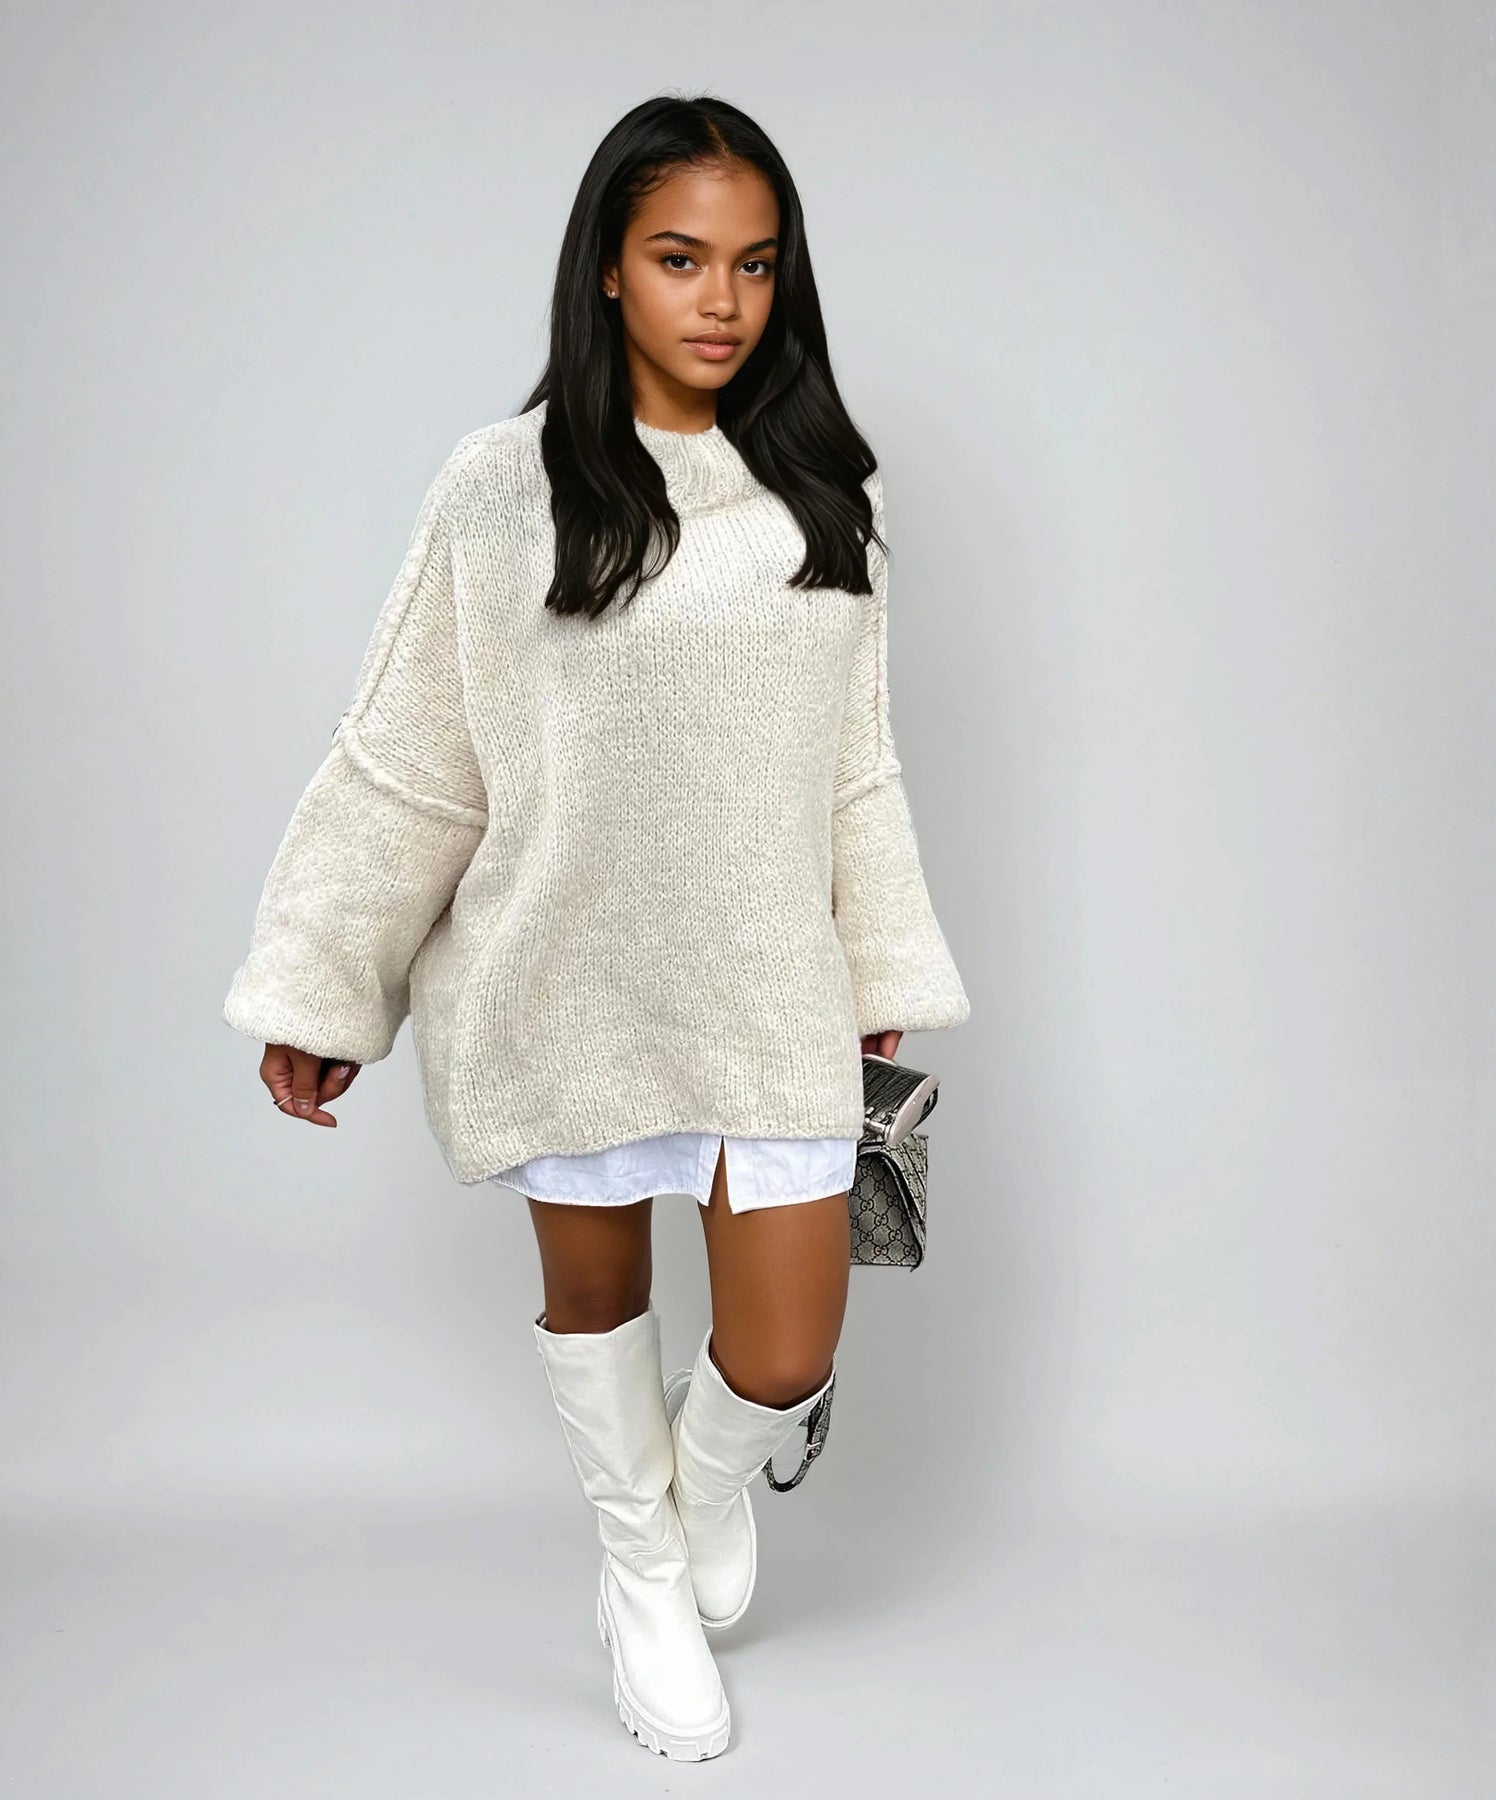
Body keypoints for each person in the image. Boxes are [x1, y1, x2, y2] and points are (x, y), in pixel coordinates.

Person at [222, 92, 970, 1761]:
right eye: (681, 259)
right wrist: (325, 985)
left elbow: (859, 766)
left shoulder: (821, 495)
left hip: (764, 976)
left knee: (781, 1346)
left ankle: (698, 1490)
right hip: (558, 974)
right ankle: (640, 1571)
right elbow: (411, 757)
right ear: (610, 270)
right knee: (599, 1297)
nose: (723, 300)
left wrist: (880, 958)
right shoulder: (504, 486)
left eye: (755, 265)